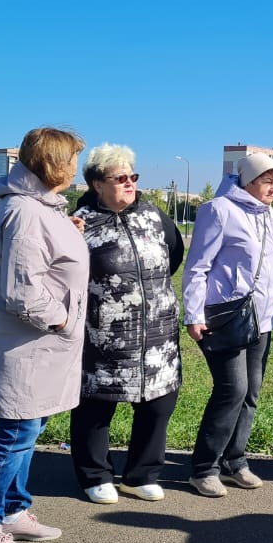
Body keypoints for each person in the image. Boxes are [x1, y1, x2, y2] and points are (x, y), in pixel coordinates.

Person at [0, 127, 88, 543]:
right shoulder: (25, 212)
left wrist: (65, 229)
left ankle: (13, 510)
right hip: (26, 340)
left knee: (29, 428)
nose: (77, 169)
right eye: (72, 160)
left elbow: (39, 256)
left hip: (39, 342)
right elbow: (22, 290)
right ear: (54, 165)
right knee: (16, 430)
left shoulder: (39, 209)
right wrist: (62, 318)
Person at [70, 144, 185, 505]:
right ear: (96, 183)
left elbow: (174, 253)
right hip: (104, 335)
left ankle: (141, 475)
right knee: (96, 406)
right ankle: (95, 475)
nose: (130, 183)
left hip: (158, 334)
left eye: (133, 176)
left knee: (158, 404)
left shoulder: (153, 215)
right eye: (120, 178)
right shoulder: (79, 222)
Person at [182, 154, 273, 497]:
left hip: (262, 319)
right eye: (266, 180)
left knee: (251, 394)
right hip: (227, 317)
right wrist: (193, 313)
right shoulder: (219, 210)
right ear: (247, 180)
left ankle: (234, 462)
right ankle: (204, 469)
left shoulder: (270, 216)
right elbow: (197, 266)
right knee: (232, 390)